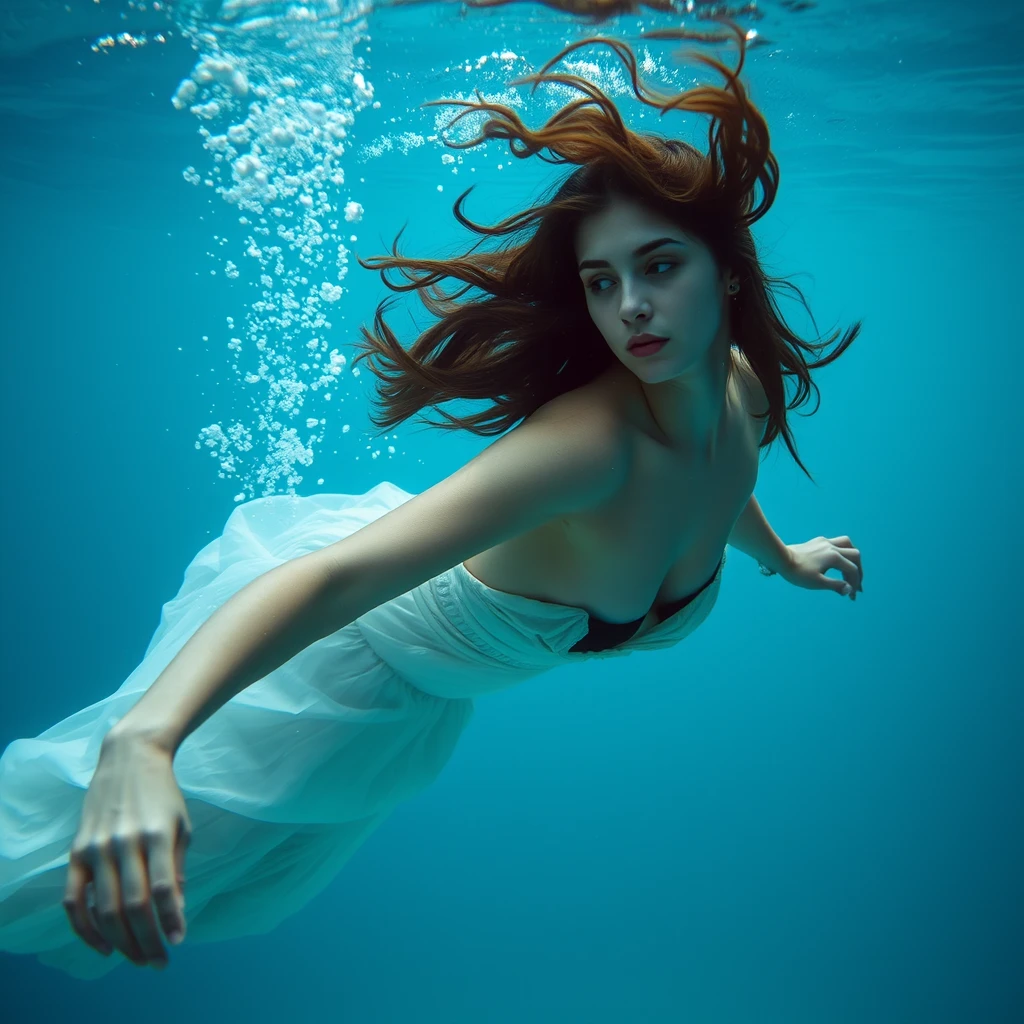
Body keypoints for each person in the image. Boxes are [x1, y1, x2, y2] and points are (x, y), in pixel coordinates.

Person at [0, 22, 863, 978]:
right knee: (38, 874)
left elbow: (719, 482)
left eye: (659, 265)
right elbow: (336, 578)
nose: (629, 309)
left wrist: (782, 560)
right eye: (601, 281)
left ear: (727, 271)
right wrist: (148, 736)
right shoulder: (589, 449)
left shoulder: (735, 390)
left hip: (414, 714)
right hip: (325, 674)